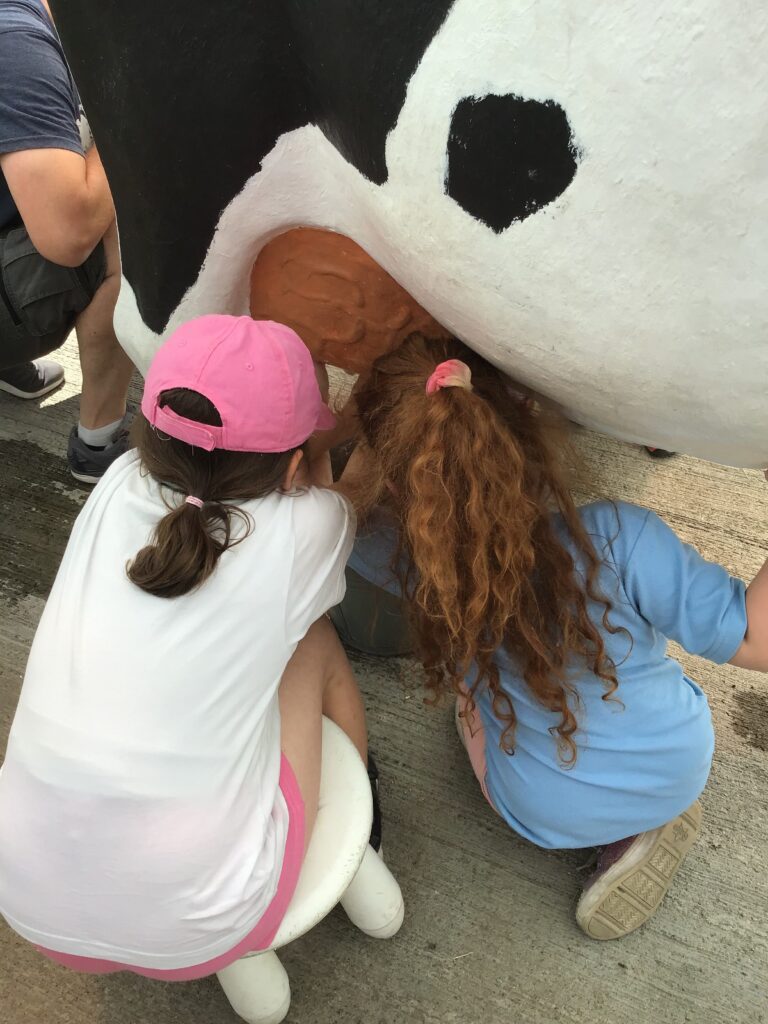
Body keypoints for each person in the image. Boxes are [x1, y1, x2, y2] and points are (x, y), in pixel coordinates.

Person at [327, 332, 766, 941]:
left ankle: (609, 828)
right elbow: (757, 643)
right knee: (632, 665)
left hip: (539, 814)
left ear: (395, 483)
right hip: (677, 764)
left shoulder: (397, 560)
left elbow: (335, 507)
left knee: (471, 696)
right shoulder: (619, 536)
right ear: (530, 435)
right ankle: (644, 816)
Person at [0, 315, 374, 978]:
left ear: (147, 434)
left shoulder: (116, 484)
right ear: (293, 465)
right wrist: (338, 440)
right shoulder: (307, 529)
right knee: (312, 640)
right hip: (207, 932)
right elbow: (344, 498)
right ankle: (362, 804)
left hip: (29, 907)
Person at [0, 0, 133, 482]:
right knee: (126, 226)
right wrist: (134, 107)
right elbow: (70, 233)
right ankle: (99, 443)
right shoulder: (15, 44)